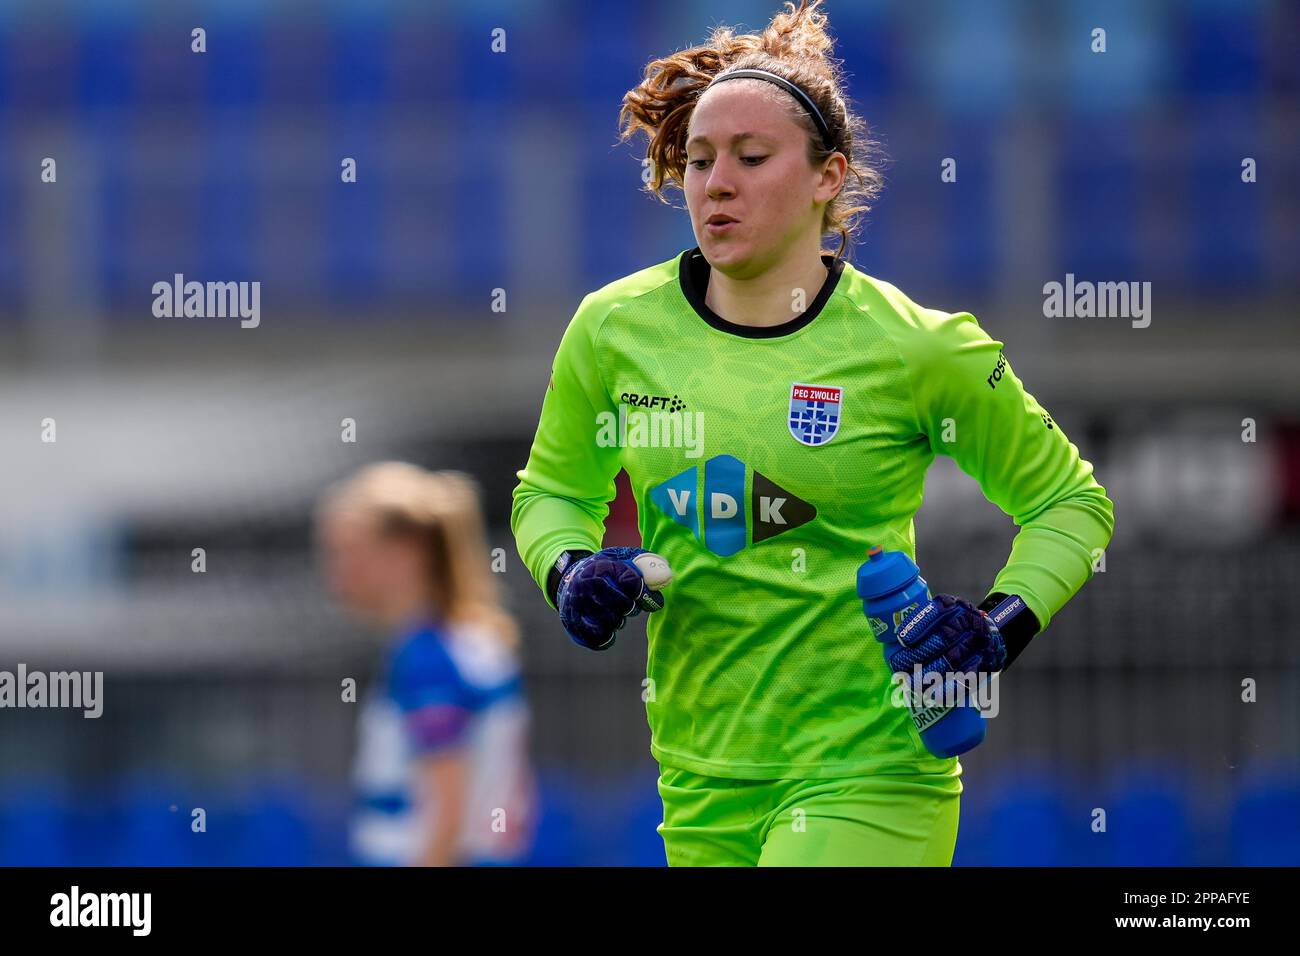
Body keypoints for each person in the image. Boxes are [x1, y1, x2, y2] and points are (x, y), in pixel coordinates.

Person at [511, 0, 1114, 866]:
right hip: (701, 775)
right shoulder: (611, 330)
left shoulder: (921, 347)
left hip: (871, 768)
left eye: (752, 159)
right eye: (697, 160)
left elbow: (1071, 504)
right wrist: (570, 571)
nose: (716, 182)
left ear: (829, 176)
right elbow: (551, 495)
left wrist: (994, 627)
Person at [318, 462, 537, 866]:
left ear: (408, 550)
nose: (337, 575)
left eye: (349, 552)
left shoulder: (428, 658)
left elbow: (447, 814)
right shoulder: (471, 642)